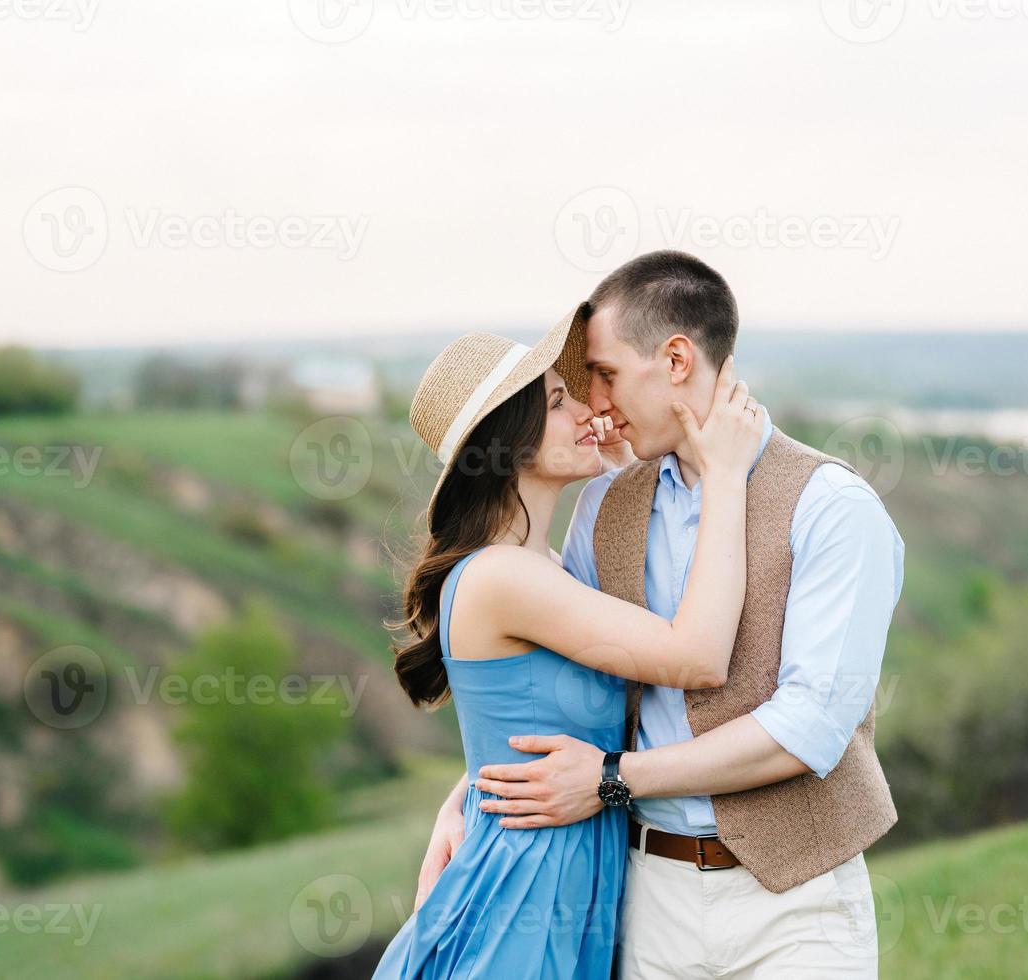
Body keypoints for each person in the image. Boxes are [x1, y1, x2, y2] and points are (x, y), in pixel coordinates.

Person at [417, 251, 906, 978]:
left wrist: (615, 776)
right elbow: (562, 681)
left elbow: (809, 729)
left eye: (605, 375)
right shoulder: (605, 505)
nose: (597, 404)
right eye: (574, 392)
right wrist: (469, 795)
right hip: (646, 900)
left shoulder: (831, 507)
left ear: (675, 359)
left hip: (796, 904)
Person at [371, 307, 764, 979]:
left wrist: (464, 792)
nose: (587, 408)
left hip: (563, 877)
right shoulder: (502, 578)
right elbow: (696, 655)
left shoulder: (542, 567)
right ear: (510, 443)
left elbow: (527, 718)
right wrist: (725, 476)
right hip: (525, 889)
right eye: (558, 402)